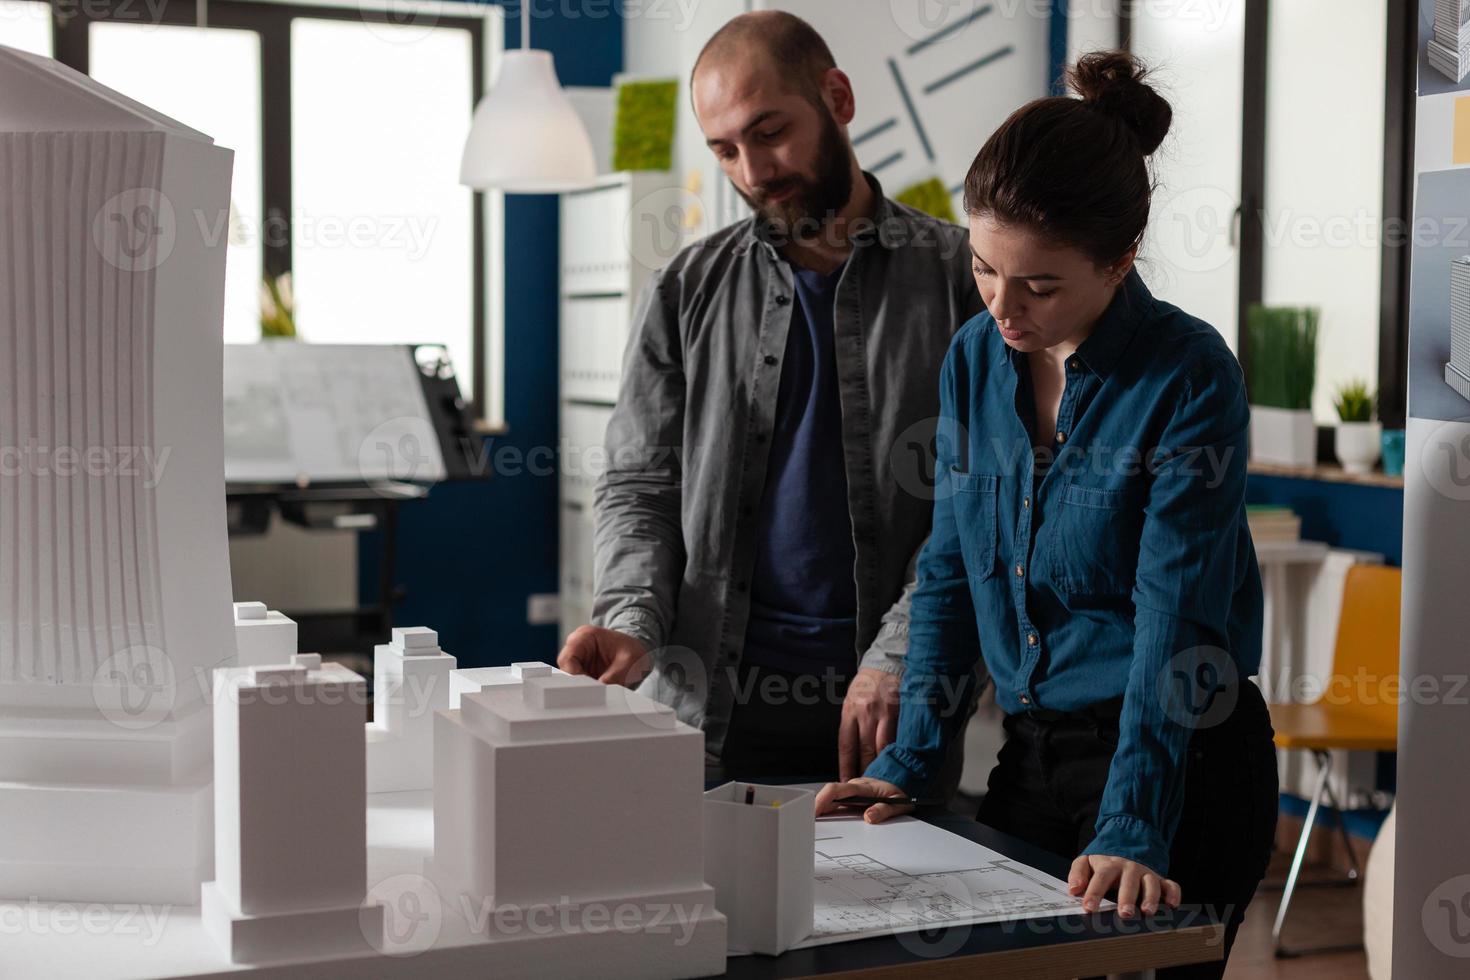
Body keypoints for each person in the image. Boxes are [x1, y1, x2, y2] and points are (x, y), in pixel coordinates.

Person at [816, 52, 1278, 978]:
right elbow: (950, 567)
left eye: (1040, 285)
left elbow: (1174, 617)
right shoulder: (974, 359)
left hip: (1179, 757)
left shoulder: (1189, 376)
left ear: (1120, 261)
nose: (1002, 305)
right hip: (1033, 751)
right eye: (984, 267)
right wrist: (910, 761)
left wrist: (1136, 823)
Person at [556, 11, 984, 782]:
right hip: (707, 707)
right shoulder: (684, 288)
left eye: (770, 132)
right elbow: (639, 484)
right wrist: (629, 619)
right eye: (725, 149)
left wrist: (901, 653)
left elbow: (983, 504)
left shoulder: (963, 280)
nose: (752, 172)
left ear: (838, 98)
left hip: (892, 709)